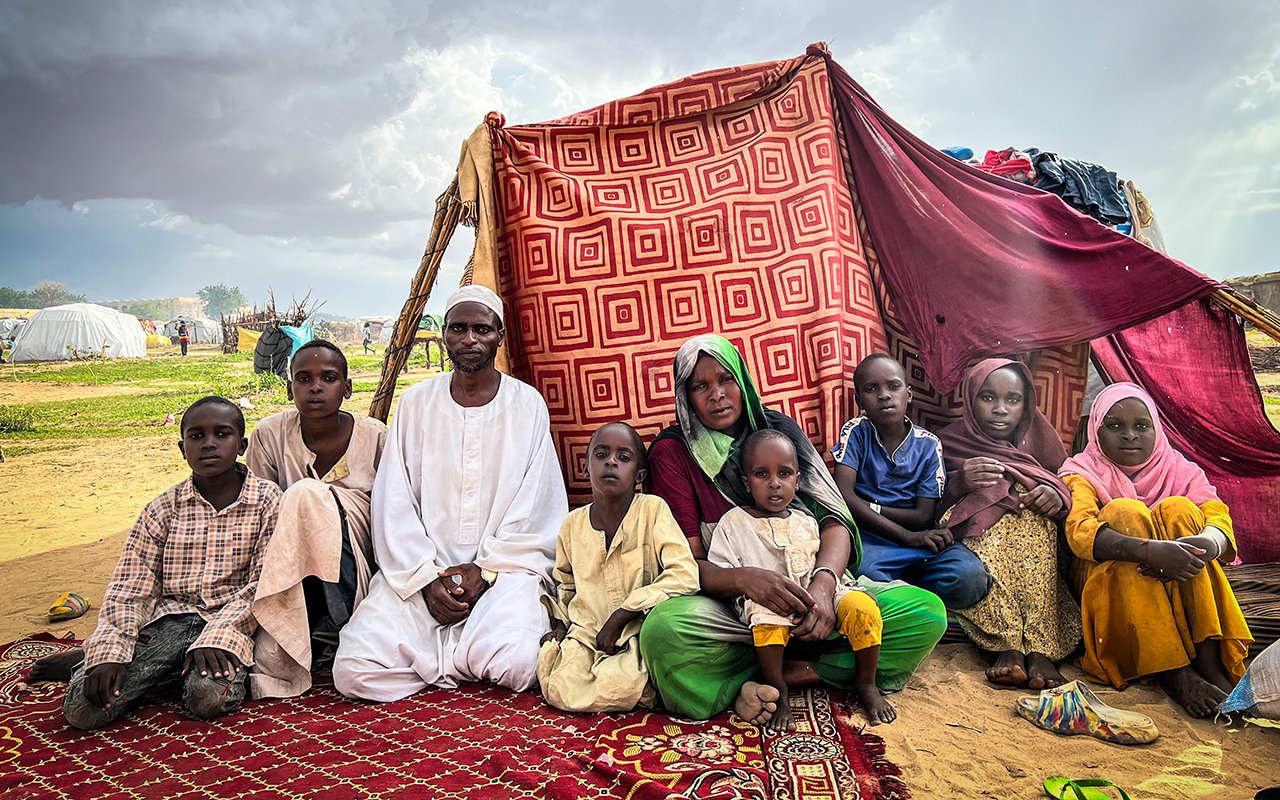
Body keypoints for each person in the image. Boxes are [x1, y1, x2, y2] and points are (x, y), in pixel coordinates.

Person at [642, 334, 946, 725]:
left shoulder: (779, 430)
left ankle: (773, 677)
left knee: (925, 613)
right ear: (686, 394)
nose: (717, 395)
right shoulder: (673, 452)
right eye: (701, 386)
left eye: (725, 380)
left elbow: (835, 519)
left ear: (743, 381)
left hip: (814, 592)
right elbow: (687, 562)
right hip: (737, 610)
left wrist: (822, 585)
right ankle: (804, 668)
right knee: (662, 633)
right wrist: (748, 581)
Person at [332, 285, 568, 701]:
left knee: (520, 662)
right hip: (423, 573)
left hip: (503, 573)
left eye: (482, 329)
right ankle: (458, 660)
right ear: (445, 335)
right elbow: (396, 502)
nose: (470, 339)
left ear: (499, 336)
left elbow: (537, 507)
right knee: (353, 670)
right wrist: (425, 579)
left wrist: (486, 571)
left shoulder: (526, 404)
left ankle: (441, 660)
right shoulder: (416, 403)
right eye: (459, 328)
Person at [61, 396, 280, 729]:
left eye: (222, 434)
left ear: (241, 444)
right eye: (196, 436)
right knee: (82, 708)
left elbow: (263, 584)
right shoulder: (162, 508)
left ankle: (183, 670)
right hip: (168, 622)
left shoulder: (267, 500)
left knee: (206, 698)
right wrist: (110, 653)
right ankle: (103, 656)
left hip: (228, 621)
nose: (209, 444)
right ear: (182, 448)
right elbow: (131, 586)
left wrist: (218, 637)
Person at [1059, 382, 1252, 718]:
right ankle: (1175, 673)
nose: (1130, 435)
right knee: (1125, 513)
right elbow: (1080, 532)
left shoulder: (1181, 470)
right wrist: (1147, 551)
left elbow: (1217, 516)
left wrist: (1206, 544)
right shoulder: (1081, 472)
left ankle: (1209, 664)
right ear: (1096, 431)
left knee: (1180, 510)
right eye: (1115, 426)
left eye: (1141, 425)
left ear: (1157, 430)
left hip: (1176, 572)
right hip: (1109, 584)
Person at [710, 429, 894, 729]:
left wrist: (835, 593)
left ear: (797, 480)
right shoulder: (734, 523)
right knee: (766, 614)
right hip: (768, 604)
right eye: (761, 474)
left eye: (784, 473)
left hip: (815, 597)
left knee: (864, 609)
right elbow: (725, 572)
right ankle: (779, 690)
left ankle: (866, 683)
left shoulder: (807, 520)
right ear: (746, 482)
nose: (774, 483)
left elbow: (826, 569)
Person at [245, 339, 388, 698]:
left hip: (358, 554)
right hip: (290, 556)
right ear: (290, 386)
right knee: (303, 500)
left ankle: (342, 627)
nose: (316, 388)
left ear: (348, 387)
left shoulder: (375, 437)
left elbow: (393, 509)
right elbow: (260, 511)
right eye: (304, 379)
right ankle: (303, 630)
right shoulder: (269, 435)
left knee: (308, 495)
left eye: (329, 378)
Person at [936, 358, 1081, 689]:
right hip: (977, 529)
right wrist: (959, 482)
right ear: (970, 400)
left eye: (1012, 400)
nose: (1000, 409)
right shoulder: (944, 442)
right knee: (996, 536)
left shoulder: (1040, 441)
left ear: (1026, 404)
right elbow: (925, 502)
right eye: (988, 398)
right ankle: (1008, 646)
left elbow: (1068, 483)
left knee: (1034, 524)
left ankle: (1041, 649)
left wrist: (1056, 497)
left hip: (1034, 538)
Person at [537, 422, 699, 713]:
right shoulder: (572, 524)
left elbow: (685, 574)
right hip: (587, 633)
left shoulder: (652, 510)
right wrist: (560, 625)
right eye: (601, 455)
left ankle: (639, 687)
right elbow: (565, 583)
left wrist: (625, 613)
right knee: (558, 686)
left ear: (639, 476)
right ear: (585, 467)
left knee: (624, 683)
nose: (611, 462)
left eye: (623, 457)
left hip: (635, 632)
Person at [831, 353, 990, 610]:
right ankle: (909, 594)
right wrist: (905, 535)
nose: (884, 395)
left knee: (970, 577)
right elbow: (844, 497)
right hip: (871, 538)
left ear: (909, 394)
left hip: (917, 538)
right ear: (859, 400)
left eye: (893, 386)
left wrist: (873, 508)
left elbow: (923, 515)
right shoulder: (856, 432)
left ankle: (907, 586)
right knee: (864, 575)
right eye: (871, 389)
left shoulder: (928, 445)